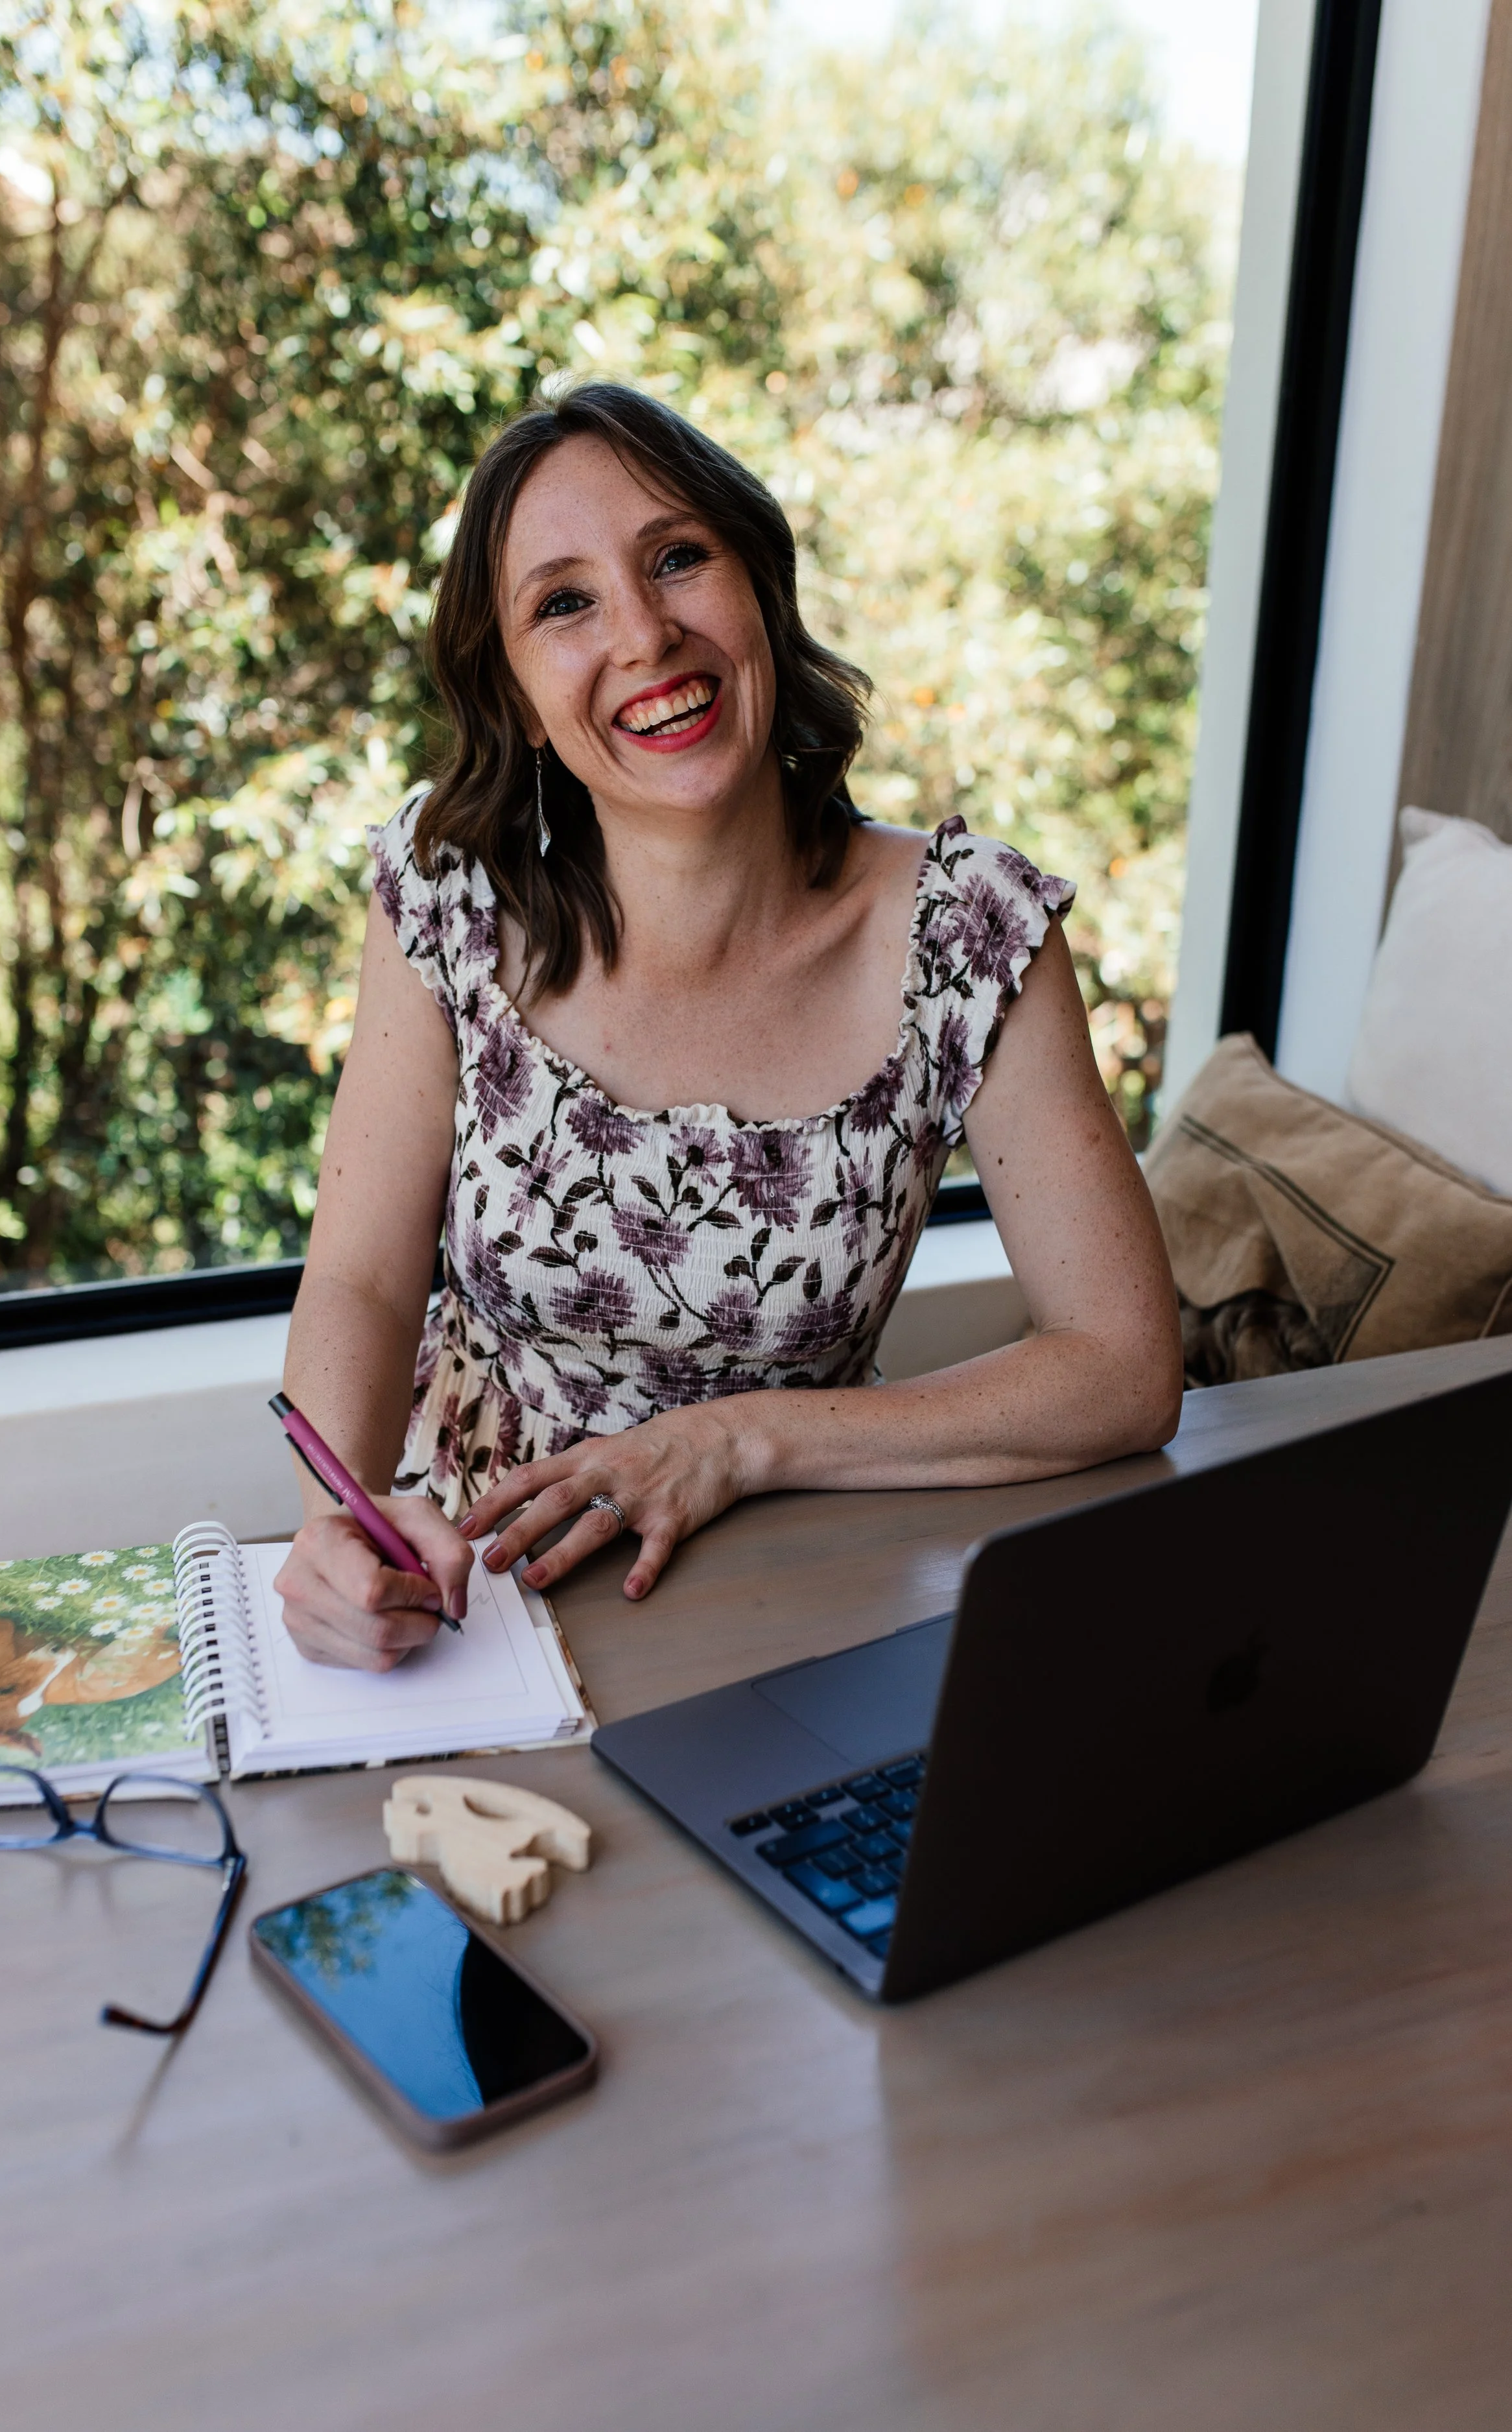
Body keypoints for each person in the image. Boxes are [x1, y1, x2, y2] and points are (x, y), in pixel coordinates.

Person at [275, 383, 1183, 1669]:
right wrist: (342, 1527)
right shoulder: (442, 899)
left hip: (810, 1602)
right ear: (518, 693)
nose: (645, 635)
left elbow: (1123, 1370)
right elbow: (361, 1280)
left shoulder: (969, 931)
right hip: (475, 1612)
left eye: (678, 558)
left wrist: (733, 1440)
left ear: (758, 582)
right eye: (565, 602)